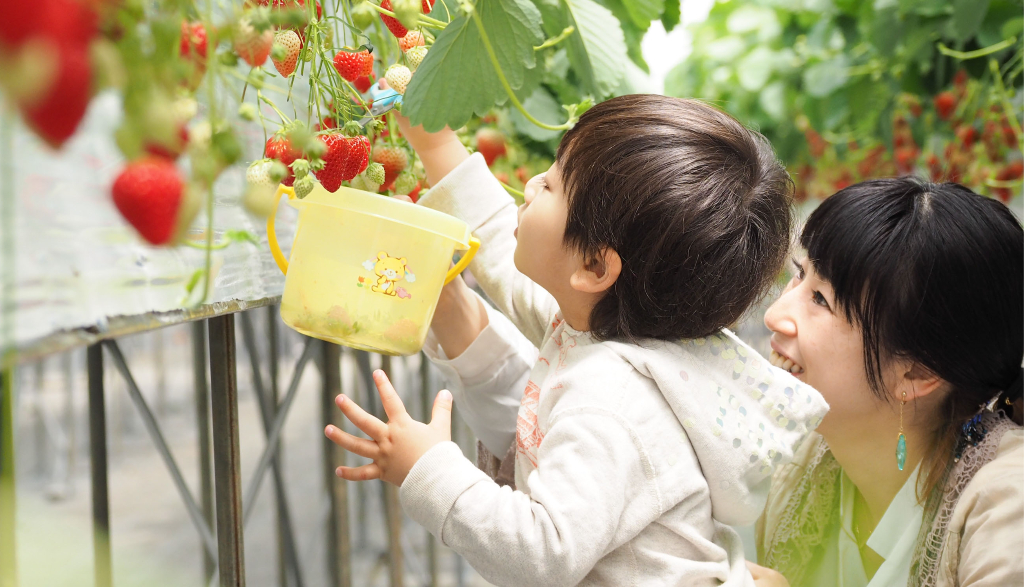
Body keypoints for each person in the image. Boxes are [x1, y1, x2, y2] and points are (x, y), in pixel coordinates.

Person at [324, 94, 828, 586]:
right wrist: (433, 142)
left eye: (555, 184)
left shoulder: (611, 403)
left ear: (594, 266)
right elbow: (502, 242)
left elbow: (543, 555)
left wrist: (429, 469)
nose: (532, 184)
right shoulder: (607, 322)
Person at [749, 178, 1023, 587]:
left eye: (821, 299)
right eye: (798, 275)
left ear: (917, 373)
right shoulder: (800, 470)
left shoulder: (1007, 508)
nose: (775, 314)